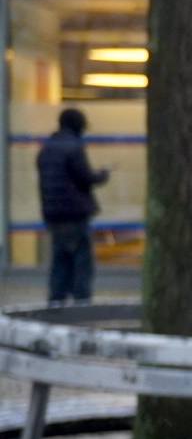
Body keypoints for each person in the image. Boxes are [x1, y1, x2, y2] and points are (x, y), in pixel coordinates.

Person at [36, 108, 109, 304]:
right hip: (74, 214)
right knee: (81, 261)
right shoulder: (74, 147)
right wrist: (103, 174)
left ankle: (56, 301)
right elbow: (85, 177)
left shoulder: (47, 148)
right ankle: (81, 303)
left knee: (60, 259)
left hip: (53, 214)